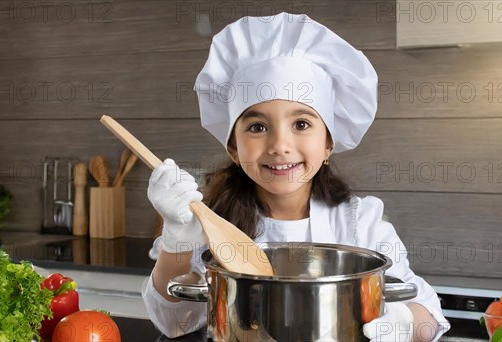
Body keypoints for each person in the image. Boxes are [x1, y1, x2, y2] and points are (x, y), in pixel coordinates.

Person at [142, 12, 450, 341]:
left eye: (301, 124)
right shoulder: (209, 226)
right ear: (233, 146)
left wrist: (401, 320)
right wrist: (176, 241)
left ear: (329, 142)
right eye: (257, 127)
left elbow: (429, 317)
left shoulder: (361, 224)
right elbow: (174, 323)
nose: (280, 146)